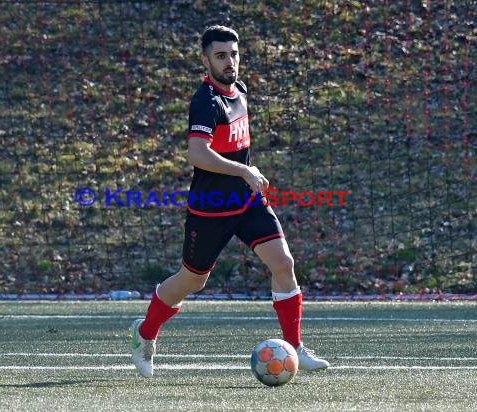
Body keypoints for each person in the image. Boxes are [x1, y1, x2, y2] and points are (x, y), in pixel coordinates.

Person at [130, 25, 329, 378]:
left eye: (234, 54)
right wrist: (243, 170)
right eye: (221, 56)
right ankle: (144, 333)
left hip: (248, 200)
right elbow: (197, 154)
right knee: (193, 281)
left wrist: (246, 174)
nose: (229, 62)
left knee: (283, 263)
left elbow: (234, 147)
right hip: (211, 206)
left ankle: (294, 347)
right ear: (205, 60)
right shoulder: (205, 102)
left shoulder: (241, 91)